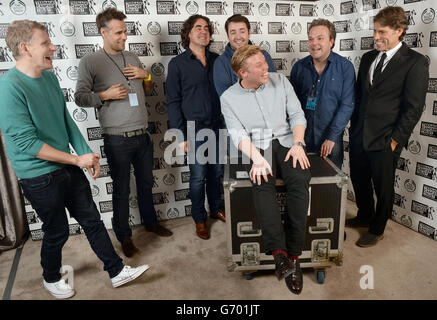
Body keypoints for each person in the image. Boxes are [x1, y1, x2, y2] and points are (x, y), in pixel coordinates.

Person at [0, 20, 149, 299]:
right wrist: (74, 159)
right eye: (45, 43)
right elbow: (26, 143)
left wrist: (84, 154)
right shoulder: (8, 88)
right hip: (38, 174)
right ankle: (51, 276)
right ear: (24, 48)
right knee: (56, 230)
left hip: (67, 165)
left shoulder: (49, 77)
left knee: (92, 219)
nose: (53, 47)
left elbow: (65, 121)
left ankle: (116, 271)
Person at [75, 8, 172, 258]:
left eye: (125, 31)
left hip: (142, 134)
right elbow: (80, 97)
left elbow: (148, 87)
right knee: (120, 189)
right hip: (117, 138)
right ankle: (124, 236)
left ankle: (150, 222)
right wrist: (105, 95)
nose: (124, 37)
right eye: (118, 32)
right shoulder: (90, 61)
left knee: (146, 183)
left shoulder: (132, 57)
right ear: (103, 32)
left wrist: (146, 75)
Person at [220, 45, 311, 294]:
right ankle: (279, 254)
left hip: (287, 141)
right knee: (261, 183)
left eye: (264, 61)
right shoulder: (228, 98)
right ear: (242, 72)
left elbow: (297, 114)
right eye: (259, 65)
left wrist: (299, 143)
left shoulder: (280, 81)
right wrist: (257, 159)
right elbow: (238, 134)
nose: (266, 67)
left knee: (300, 179)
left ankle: (294, 255)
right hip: (257, 145)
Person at [347, 6, 429, 247]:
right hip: (360, 133)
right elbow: (361, 96)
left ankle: (377, 227)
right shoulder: (368, 58)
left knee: (383, 187)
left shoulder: (415, 62)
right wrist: (354, 129)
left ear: (399, 31)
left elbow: (413, 108)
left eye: (382, 31)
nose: (376, 36)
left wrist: (395, 141)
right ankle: (364, 215)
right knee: (359, 177)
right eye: (374, 31)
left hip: (385, 138)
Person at [165, 15, 225, 240]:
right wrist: (180, 135)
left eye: (207, 28)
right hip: (194, 129)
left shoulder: (218, 60)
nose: (203, 31)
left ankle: (216, 208)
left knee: (217, 172)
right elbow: (173, 101)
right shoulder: (178, 64)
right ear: (188, 33)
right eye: (198, 27)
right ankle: (199, 218)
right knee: (198, 176)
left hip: (218, 126)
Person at [290, 18, 355, 170]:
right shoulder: (298, 68)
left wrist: (332, 137)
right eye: (311, 39)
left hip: (331, 141)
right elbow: (291, 105)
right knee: (301, 186)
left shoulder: (345, 68)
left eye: (320, 38)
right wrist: (297, 139)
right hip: (302, 139)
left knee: (330, 188)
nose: (314, 43)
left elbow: (347, 105)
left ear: (331, 41)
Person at [213, 14, 276, 98]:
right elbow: (227, 98)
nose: (238, 37)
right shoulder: (220, 63)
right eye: (233, 32)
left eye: (242, 31)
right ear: (228, 36)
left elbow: (272, 88)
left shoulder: (263, 55)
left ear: (249, 33)